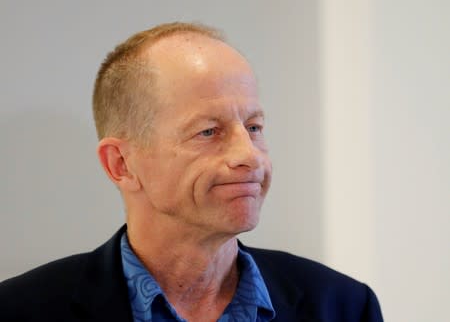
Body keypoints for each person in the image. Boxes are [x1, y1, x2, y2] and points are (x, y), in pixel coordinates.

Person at [0, 22, 383, 322]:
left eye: (253, 127)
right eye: (208, 132)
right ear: (121, 164)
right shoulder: (20, 311)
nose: (249, 156)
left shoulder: (344, 306)